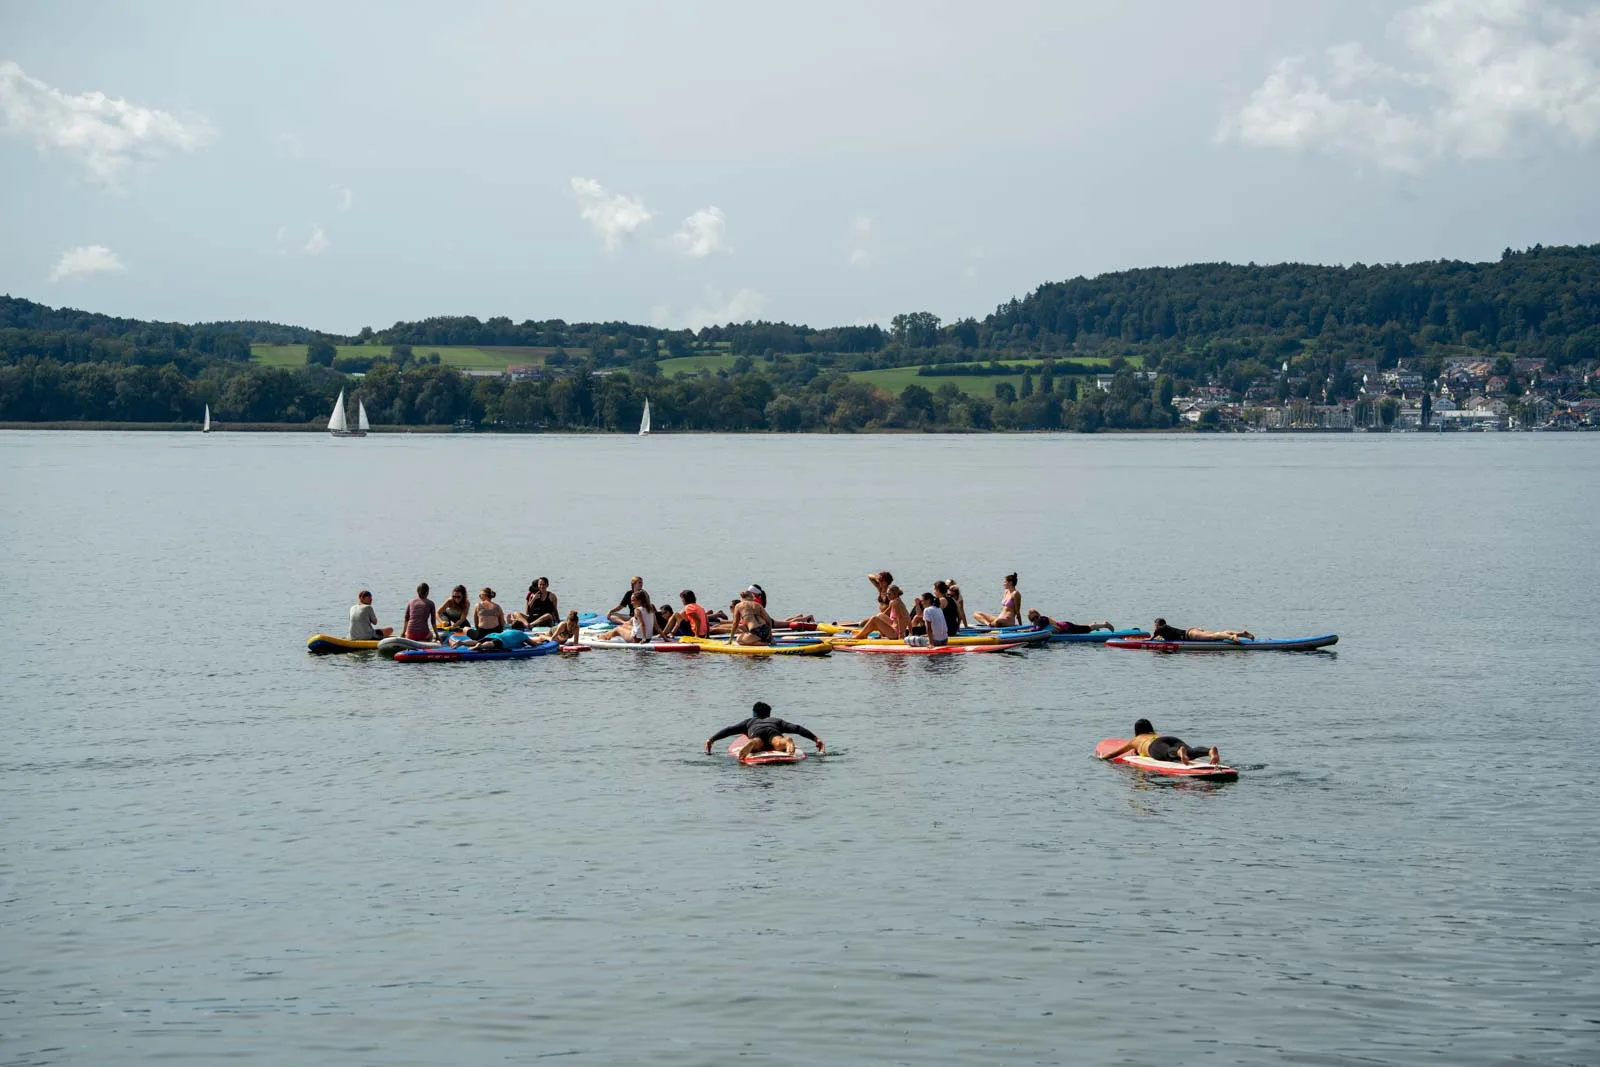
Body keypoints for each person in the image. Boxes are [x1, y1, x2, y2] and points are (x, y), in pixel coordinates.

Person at [705, 701, 826, 759]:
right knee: (778, 741)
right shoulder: (776, 721)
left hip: (756, 733)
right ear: (769, 713)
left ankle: (751, 744)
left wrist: (712, 739)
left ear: (754, 713)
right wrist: (816, 739)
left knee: (756, 742)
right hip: (773, 732)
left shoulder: (749, 722)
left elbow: (728, 730)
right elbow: (797, 728)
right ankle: (786, 742)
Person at [1098, 718, 1220, 766]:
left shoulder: (1135, 740)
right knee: (1191, 752)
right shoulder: (1154, 734)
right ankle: (1209, 751)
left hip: (1154, 746)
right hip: (1169, 738)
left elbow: (1113, 754)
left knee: (1166, 753)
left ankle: (1179, 752)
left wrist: (1101, 758)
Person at [1150, 618, 1255, 643]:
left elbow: (1151, 639)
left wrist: (1148, 641)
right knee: (1215, 633)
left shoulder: (1160, 629)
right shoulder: (1165, 629)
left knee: (1213, 637)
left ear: (1158, 625)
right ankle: (1241, 634)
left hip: (1190, 635)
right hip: (1192, 631)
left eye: (1155, 625)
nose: (1155, 627)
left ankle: (1232, 637)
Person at [1026, 608, 1114, 634]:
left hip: (1067, 627)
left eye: (1036, 617)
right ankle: (1095, 625)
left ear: (1039, 615)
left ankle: (1104, 624)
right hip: (1064, 627)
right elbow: (1037, 629)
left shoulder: (1043, 619)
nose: (1035, 620)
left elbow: (1039, 630)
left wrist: (1027, 631)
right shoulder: (1037, 623)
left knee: (1087, 629)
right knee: (1086, 628)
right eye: (1033, 619)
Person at [468, 626, 541, 652]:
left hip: (493, 635)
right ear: (521, 629)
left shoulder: (507, 630)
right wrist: (541, 644)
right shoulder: (522, 634)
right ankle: (481, 646)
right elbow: (533, 644)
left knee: (476, 641)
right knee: (492, 644)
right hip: (503, 641)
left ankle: (461, 643)